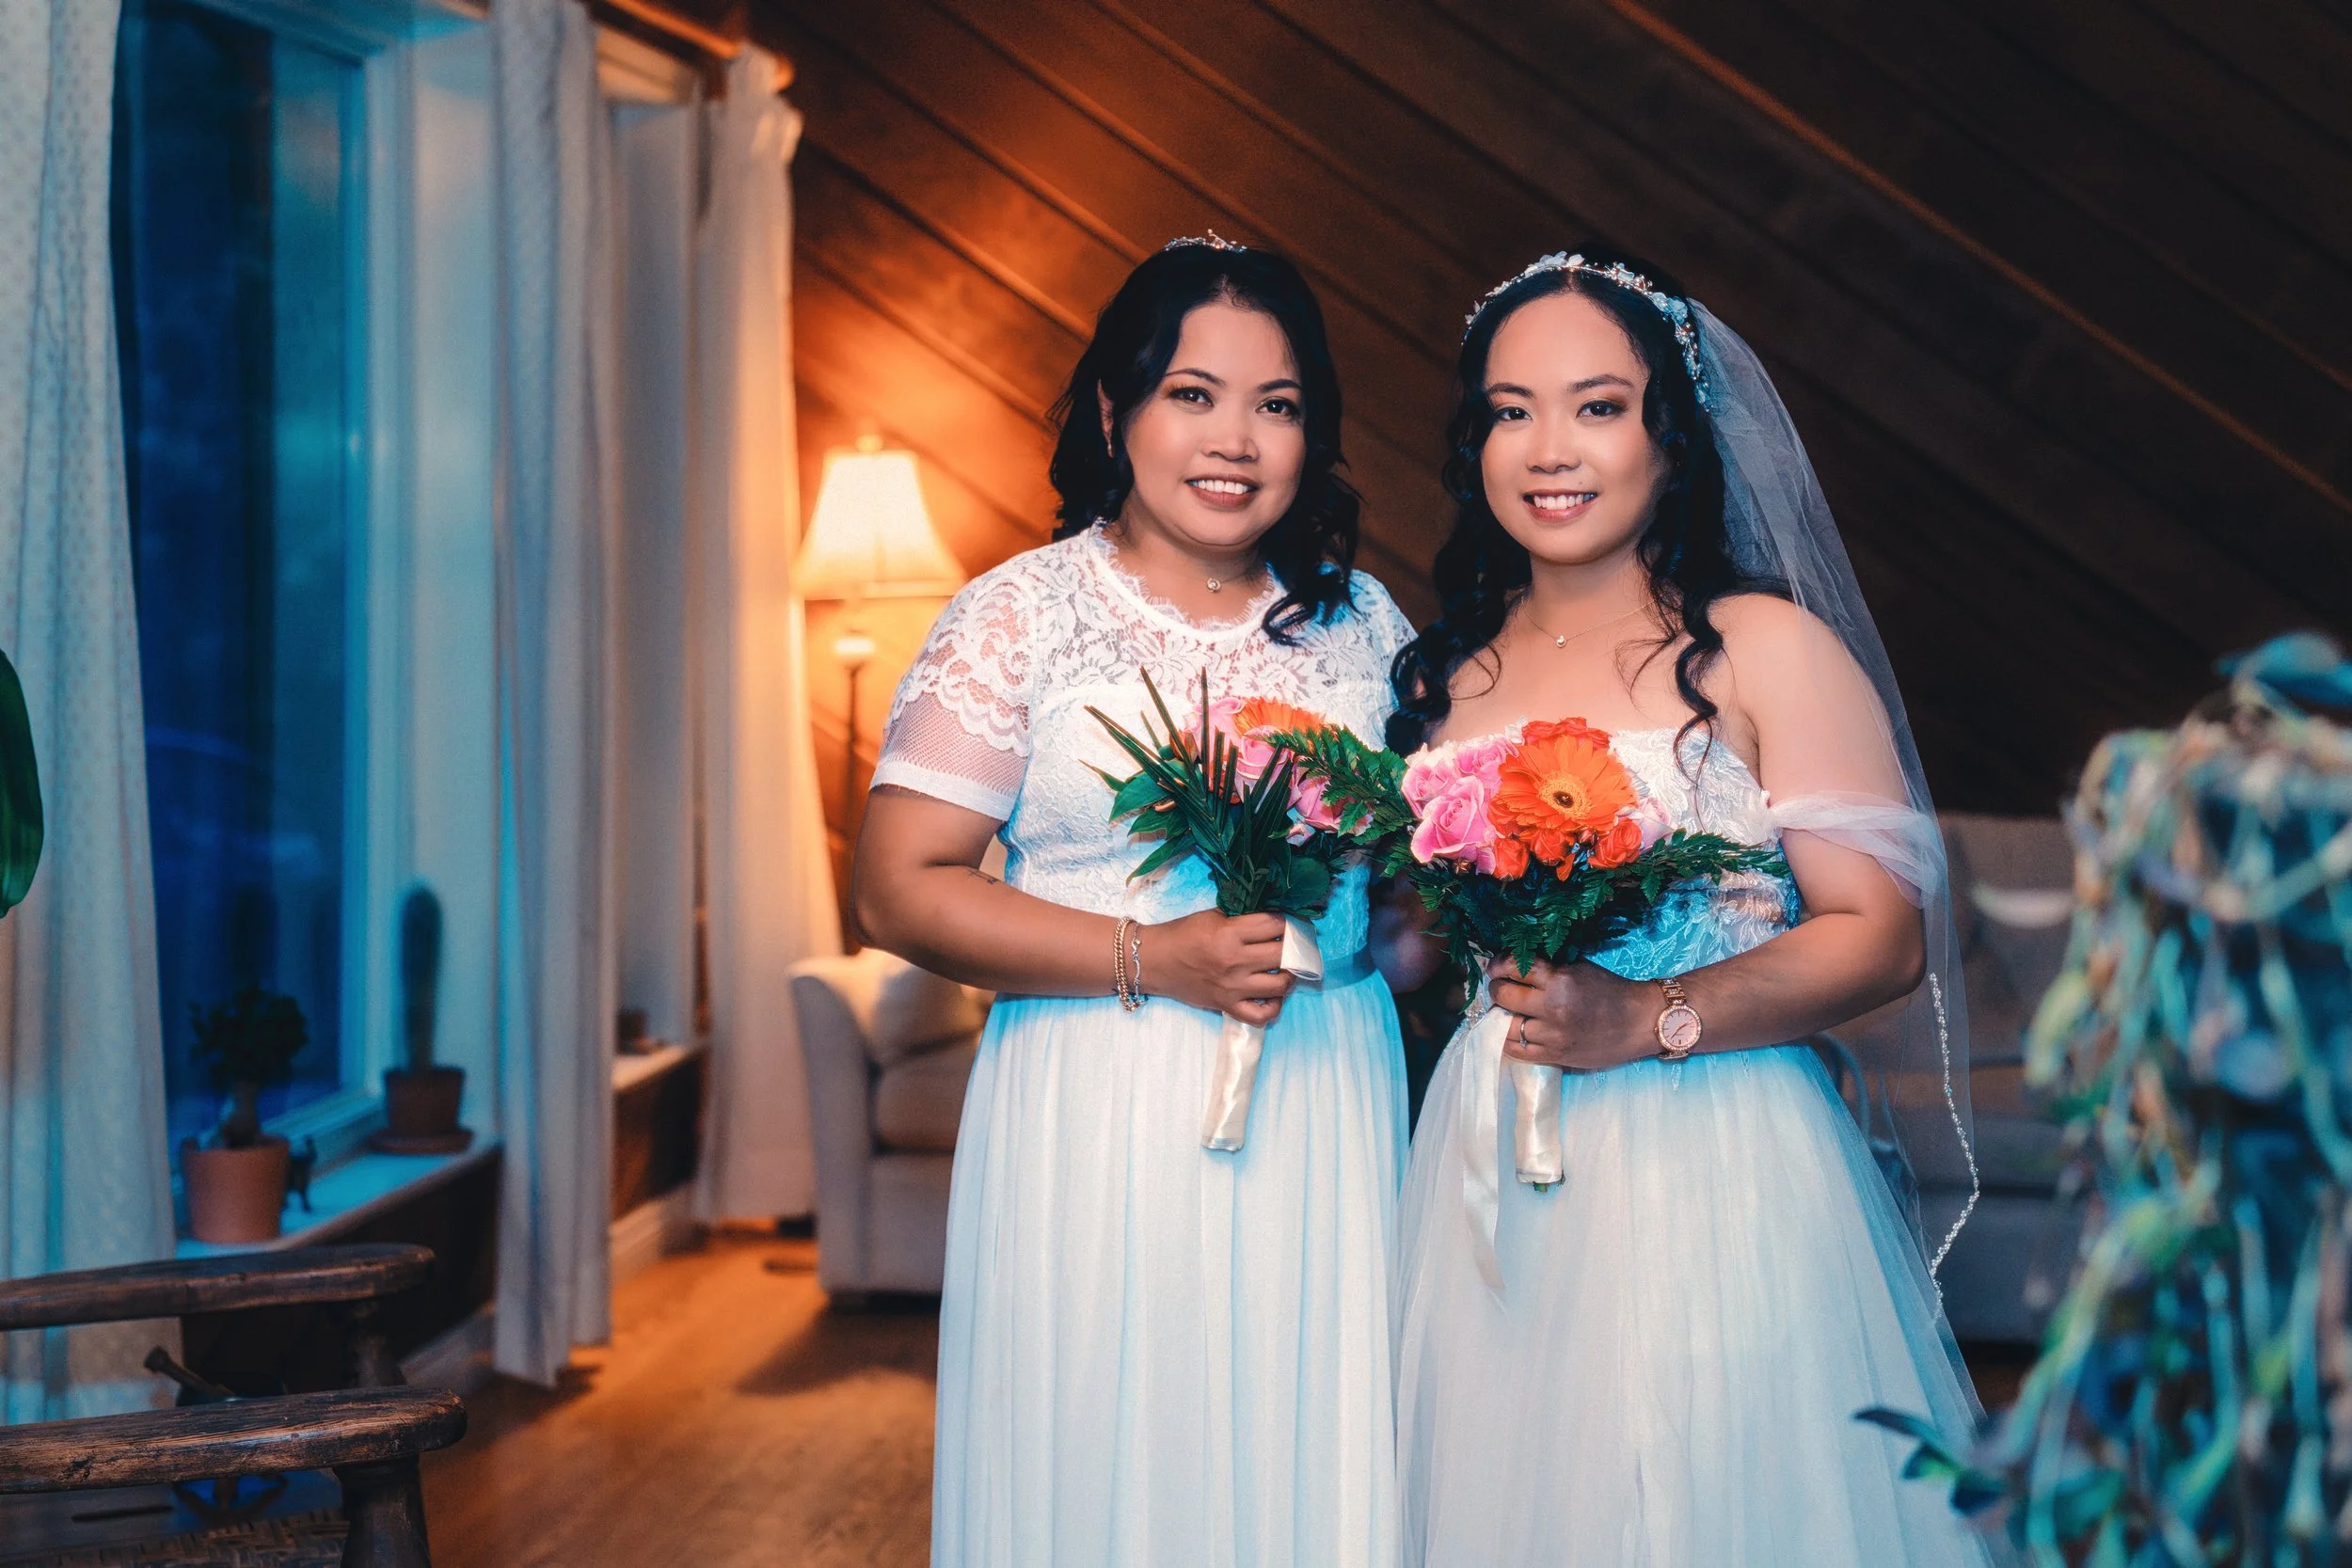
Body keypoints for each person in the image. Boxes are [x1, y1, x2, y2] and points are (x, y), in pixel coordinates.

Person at [1386, 249, 2002, 1567]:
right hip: (1488, 1154)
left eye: (1598, 406)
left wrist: (1654, 1011)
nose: (1549, 448)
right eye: (1510, 410)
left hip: (1715, 1150)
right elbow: (1435, 943)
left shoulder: (1763, 649)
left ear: (1673, 433)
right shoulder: (1448, 671)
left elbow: (1879, 935)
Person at [852, 236, 1413, 1568]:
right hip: (1092, 1099)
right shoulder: (1021, 616)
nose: (1235, 439)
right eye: (1191, 392)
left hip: (1324, 1089)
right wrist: (1150, 954)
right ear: (1114, 412)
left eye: (1276, 405)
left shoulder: (1367, 627)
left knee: (1308, 1443)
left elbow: (1401, 900)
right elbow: (893, 885)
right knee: (1110, 1449)